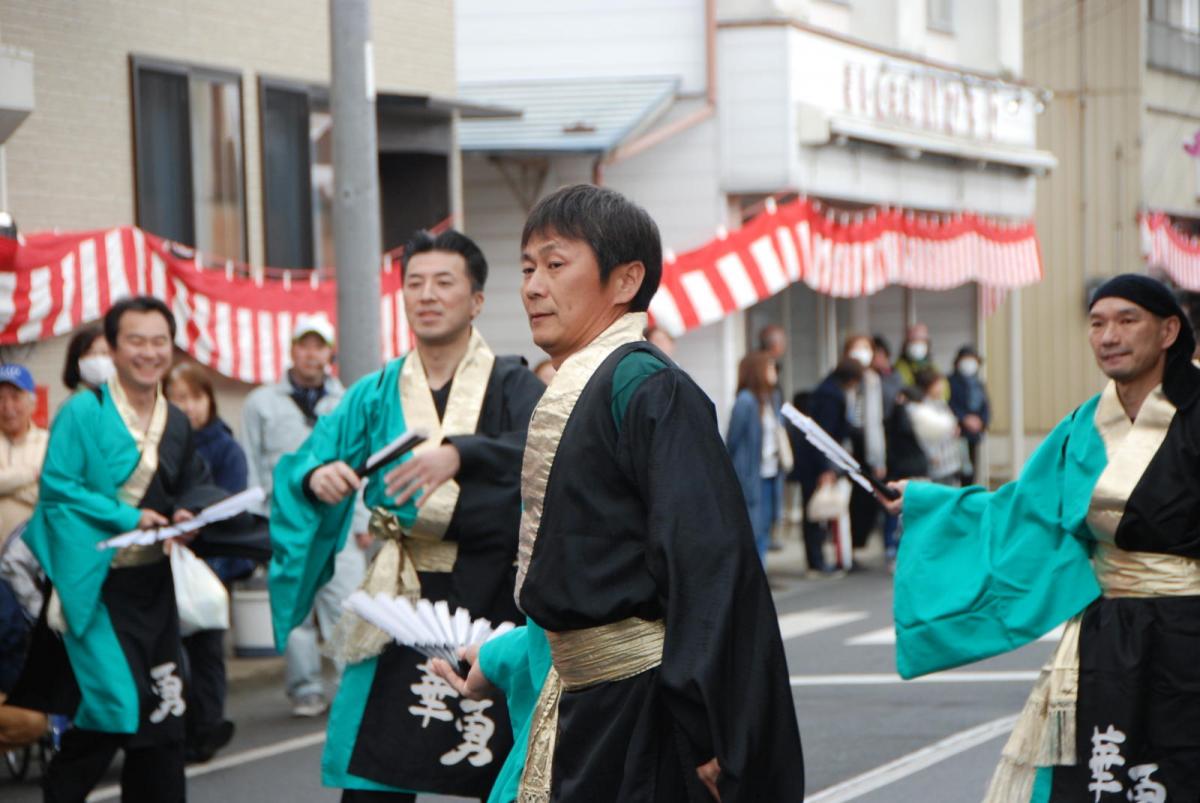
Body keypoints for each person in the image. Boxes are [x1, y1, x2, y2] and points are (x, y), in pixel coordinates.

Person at [434, 184, 804, 802]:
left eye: (555, 264)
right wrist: (500, 661)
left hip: (646, 712)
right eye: (526, 268)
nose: (531, 286)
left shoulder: (649, 388)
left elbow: (708, 566)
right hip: (586, 702)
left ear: (625, 279)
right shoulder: (581, 386)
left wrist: (711, 729)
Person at [883, 274, 1200, 799]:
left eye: (1127, 321)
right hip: (1110, 634)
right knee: (1106, 772)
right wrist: (926, 500)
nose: (1108, 336)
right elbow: (1024, 507)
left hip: (1189, 630)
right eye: (1097, 323)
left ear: (1169, 331)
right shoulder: (1085, 424)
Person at [269, 229, 543, 801]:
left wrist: (462, 452)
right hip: (401, 595)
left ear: (476, 301)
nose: (427, 294)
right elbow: (309, 461)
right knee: (376, 766)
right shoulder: (374, 393)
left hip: (489, 593)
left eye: (445, 282)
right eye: (414, 282)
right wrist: (316, 478)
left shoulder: (514, 385)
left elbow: (548, 453)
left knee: (503, 764)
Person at [13, 296, 220, 802]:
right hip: (97, 586)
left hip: (153, 586)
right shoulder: (83, 411)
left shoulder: (174, 420)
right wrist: (128, 517)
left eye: (159, 341)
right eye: (135, 341)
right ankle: (61, 790)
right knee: (115, 707)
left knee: (165, 715)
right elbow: (58, 489)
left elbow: (193, 481)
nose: (148, 353)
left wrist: (188, 514)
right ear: (113, 347)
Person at [241, 315, 367, 718]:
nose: (311, 354)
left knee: (347, 603)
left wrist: (362, 520)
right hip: (285, 525)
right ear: (292, 349)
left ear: (330, 352)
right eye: (304, 345)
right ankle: (305, 688)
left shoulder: (346, 399)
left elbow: (361, 462)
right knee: (295, 608)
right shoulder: (260, 402)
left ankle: (351, 687)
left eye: (319, 346)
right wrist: (257, 522)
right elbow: (251, 467)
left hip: (339, 521)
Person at [164, 362, 249, 763]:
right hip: (166, 559)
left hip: (212, 563)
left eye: (196, 397)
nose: (189, 406)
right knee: (169, 651)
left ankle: (207, 726)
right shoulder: (159, 444)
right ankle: (177, 728)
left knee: (208, 651)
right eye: (178, 397)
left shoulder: (226, 447)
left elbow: (231, 502)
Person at [802, 359, 864, 575]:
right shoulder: (832, 395)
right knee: (817, 512)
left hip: (816, 460)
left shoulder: (826, 389)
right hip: (819, 462)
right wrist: (826, 468)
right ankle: (816, 561)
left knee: (820, 511)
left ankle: (820, 559)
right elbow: (824, 434)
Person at [726, 351, 787, 563]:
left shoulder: (772, 398)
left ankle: (760, 572)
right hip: (751, 475)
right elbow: (732, 441)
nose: (773, 372)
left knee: (765, 526)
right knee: (753, 527)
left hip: (771, 472)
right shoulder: (745, 402)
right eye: (769, 367)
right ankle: (755, 574)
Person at [843, 335, 886, 550]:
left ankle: (859, 542)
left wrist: (879, 458)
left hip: (867, 444)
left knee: (865, 498)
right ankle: (847, 544)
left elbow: (875, 421)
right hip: (847, 444)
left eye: (865, 348)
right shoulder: (843, 377)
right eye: (856, 348)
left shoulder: (872, 379)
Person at [0, 364, 48, 549]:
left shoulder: (48, 443)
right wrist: (31, 475)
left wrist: (6, 486)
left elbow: (49, 496)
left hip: (33, 555)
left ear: (32, 403)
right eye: (0, 398)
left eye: (15, 397)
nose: (7, 406)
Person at [906, 370, 961, 485]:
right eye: (937, 384)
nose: (940, 387)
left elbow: (951, 422)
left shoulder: (941, 403)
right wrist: (931, 454)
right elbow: (922, 435)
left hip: (950, 458)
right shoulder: (922, 407)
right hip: (937, 461)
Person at [947, 345, 990, 484]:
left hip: (974, 434)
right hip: (957, 433)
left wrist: (981, 421)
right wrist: (963, 418)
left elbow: (986, 406)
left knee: (971, 471)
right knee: (959, 470)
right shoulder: (950, 382)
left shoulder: (978, 383)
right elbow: (949, 404)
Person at [62, 324, 114, 393]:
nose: (98, 359)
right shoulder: (76, 402)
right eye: (90, 353)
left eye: (105, 353)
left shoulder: (122, 400)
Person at [893, 322, 938, 388]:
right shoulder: (899, 368)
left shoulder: (932, 367)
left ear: (927, 344)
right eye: (913, 340)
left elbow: (944, 391)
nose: (917, 344)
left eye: (921, 340)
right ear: (906, 344)